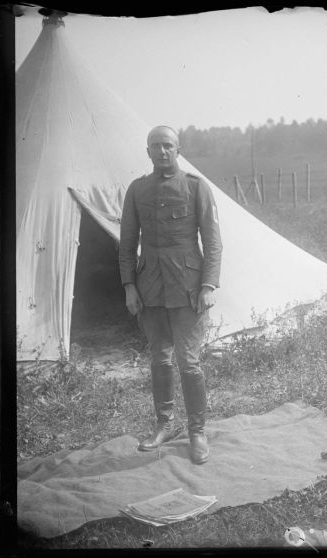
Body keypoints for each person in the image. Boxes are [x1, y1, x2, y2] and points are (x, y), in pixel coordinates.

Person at [119, 125, 222, 465]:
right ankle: (164, 424)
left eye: (168, 146)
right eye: (155, 146)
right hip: (150, 289)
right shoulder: (137, 190)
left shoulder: (196, 187)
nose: (162, 151)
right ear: (147, 151)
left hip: (188, 288)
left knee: (188, 362)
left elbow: (213, 241)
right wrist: (130, 286)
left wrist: (208, 286)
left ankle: (197, 431)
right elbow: (127, 243)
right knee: (159, 360)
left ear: (178, 150)